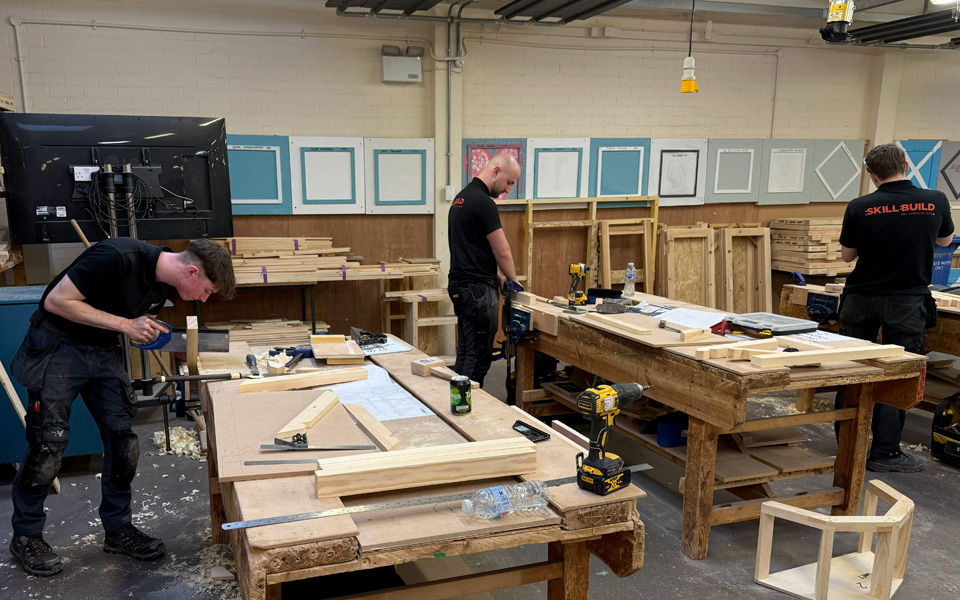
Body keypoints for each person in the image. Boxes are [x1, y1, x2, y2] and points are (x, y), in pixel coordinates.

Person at [8, 238, 236, 576]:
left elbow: (132, 326)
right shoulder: (116, 256)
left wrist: (162, 339)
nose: (204, 299)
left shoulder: (162, 288)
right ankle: (26, 535)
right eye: (206, 290)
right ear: (191, 271)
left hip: (100, 349)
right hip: (57, 345)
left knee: (123, 443)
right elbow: (55, 301)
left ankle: (118, 529)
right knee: (48, 446)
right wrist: (126, 325)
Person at [837, 143, 954, 473]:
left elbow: (848, 256)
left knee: (850, 370)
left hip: (861, 297)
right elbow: (945, 241)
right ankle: (885, 453)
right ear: (906, 164)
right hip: (906, 301)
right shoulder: (936, 201)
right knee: (897, 377)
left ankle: (847, 444)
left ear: (872, 176)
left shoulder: (860, 206)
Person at [447, 153, 522, 388]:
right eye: (509, 182)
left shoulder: (460, 199)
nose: (507, 190)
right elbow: (502, 252)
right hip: (477, 292)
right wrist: (514, 281)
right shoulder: (483, 202)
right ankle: (467, 410)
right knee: (479, 356)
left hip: (461, 286)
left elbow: (470, 249)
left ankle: (457, 405)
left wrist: (496, 276)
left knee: (466, 351)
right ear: (496, 172)